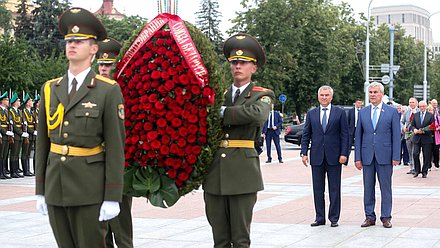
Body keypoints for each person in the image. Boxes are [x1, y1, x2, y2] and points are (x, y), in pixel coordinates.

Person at [35, 7, 126, 247]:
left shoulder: (108, 90)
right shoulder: (50, 88)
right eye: (68, 40)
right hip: (56, 186)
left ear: (93, 48)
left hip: (89, 189)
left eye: (79, 41)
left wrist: (112, 196)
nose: (72, 45)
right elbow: (43, 143)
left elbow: (116, 147)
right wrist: (40, 189)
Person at [203, 33, 275, 248]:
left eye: (243, 63)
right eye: (234, 62)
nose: (237, 67)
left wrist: (222, 112)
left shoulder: (262, 94)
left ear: (254, 68)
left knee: (241, 239)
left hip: (243, 173)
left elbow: (256, 115)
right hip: (216, 173)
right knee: (220, 238)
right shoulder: (218, 94)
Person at [98, 37, 134, 248]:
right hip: (94, 167)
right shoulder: (92, 91)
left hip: (119, 167)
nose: (104, 68)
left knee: (121, 230)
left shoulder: (126, 92)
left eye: (108, 65)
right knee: (100, 232)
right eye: (101, 64)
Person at [300, 85, 349, 228]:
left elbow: (345, 135)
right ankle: (319, 217)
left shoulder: (339, 113)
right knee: (317, 189)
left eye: (327, 95)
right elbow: (306, 134)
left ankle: (334, 218)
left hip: (335, 157)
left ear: (331, 97)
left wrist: (344, 153)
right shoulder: (312, 114)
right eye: (322, 95)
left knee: (334, 189)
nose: (324, 97)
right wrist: (304, 152)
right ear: (318, 96)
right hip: (316, 157)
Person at [355, 82, 400, 229]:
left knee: (385, 188)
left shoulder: (392, 112)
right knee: (368, 188)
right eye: (371, 92)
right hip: (367, 156)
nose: (373, 95)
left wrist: (396, 156)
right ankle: (369, 216)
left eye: (375, 92)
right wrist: (357, 157)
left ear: (381, 94)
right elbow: (358, 136)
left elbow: (395, 135)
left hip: (385, 156)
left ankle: (386, 217)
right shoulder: (363, 112)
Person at [411, 101, 434, 178]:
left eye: (423, 106)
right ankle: (417, 170)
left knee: (426, 155)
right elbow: (412, 125)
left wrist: (423, 130)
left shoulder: (430, 115)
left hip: (426, 138)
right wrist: (414, 130)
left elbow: (432, 126)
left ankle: (424, 171)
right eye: (420, 106)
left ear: (426, 106)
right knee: (415, 154)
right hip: (417, 138)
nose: (422, 108)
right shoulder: (416, 115)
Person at [9, 92, 26, 178]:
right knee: (14, 153)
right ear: (15, 102)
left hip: (19, 135)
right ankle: (13, 171)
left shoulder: (19, 111)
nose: (19, 102)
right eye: (18, 101)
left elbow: (21, 123)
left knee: (17, 154)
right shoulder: (11, 111)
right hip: (15, 134)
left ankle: (16, 170)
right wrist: (21, 133)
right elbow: (13, 125)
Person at [401, 97, 419, 174]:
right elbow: (402, 121)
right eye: (410, 102)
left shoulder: (419, 111)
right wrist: (403, 127)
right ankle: (412, 168)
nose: (411, 104)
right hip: (408, 134)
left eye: (413, 102)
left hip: (417, 135)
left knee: (415, 152)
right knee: (409, 151)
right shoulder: (406, 112)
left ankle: (416, 167)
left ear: (416, 103)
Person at [20, 93, 35, 176]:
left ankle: (28, 170)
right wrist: (32, 131)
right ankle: (25, 170)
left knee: (28, 153)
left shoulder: (31, 112)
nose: (32, 102)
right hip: (28, 134)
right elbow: (25, 124)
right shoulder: (24, 112)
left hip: (31, 135)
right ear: (27, 103)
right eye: (31, 101)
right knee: (25, 153)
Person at [347, 98, 363, 165]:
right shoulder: (351, 111)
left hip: (360, 130)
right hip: (351, 130)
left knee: (360, 145)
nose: (359, 104)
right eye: (358, 103)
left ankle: (360, 160)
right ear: (355, 103)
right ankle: (346, 161)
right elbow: (348, 121)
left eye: (360, 103)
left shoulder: (363, 111)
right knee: (348, 145)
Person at [0, 92, 12, 179]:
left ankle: (3, 172)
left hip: (7, 135)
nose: (8, 102)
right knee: (1, 154)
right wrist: (4, 132)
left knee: (4, 154)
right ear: (2, 101)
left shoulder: (6, 111)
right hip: (2, 135)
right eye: (6, 100)